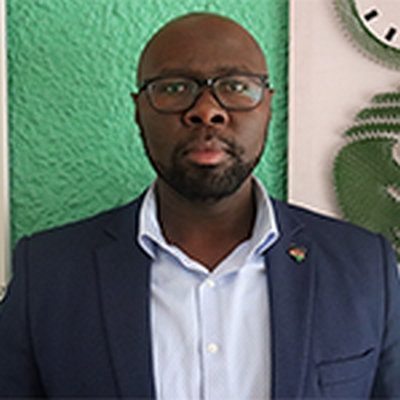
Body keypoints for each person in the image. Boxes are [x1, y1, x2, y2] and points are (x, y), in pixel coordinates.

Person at [0, 12, 400, 399]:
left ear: (268, 106)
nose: (207, 110)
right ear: (139, 111)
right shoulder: (49, 274)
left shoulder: (365, 269)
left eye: (236, 86)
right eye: (175, 88)